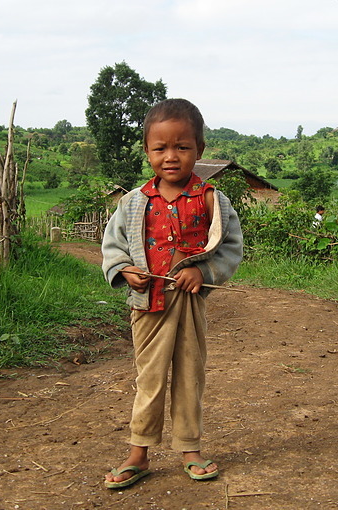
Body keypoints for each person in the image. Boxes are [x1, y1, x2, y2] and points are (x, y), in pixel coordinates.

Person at [100, 98, 244, 489]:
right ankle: (138, 452)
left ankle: (190, 448)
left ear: (200, 149)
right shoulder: (133, 202)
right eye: (160, 148)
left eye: (182, 147)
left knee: (188, 375)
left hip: (189, 305)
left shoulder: (212, 199)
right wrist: (124, 270)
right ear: (147, 150)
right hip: (147, 305)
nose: (171, 156)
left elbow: (230, 247)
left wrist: (203, 271)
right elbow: (113, 247)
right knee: (149, 378)